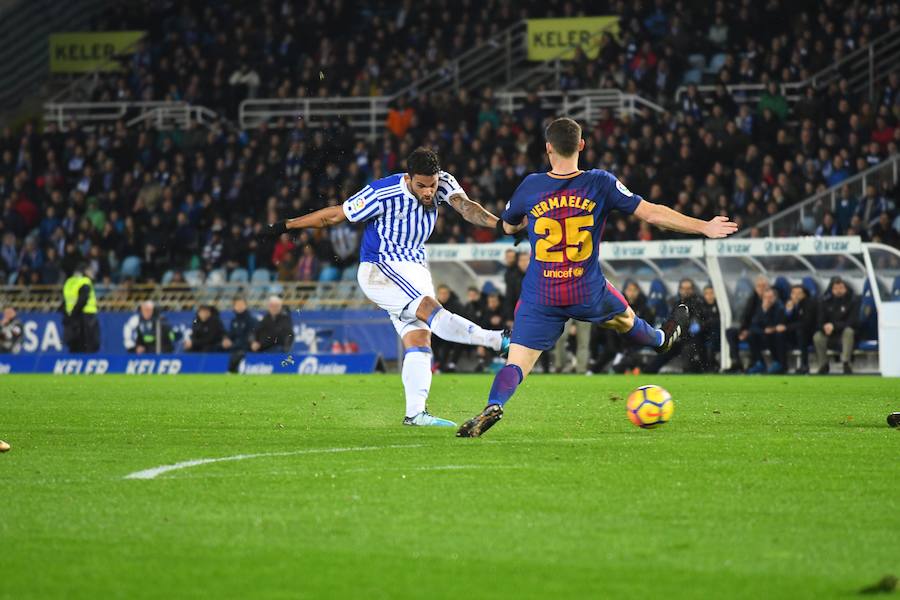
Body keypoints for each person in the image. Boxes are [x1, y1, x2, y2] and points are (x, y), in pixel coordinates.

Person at [457, 117, 737, 437]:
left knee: (517, 363)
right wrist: (703, 226)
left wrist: (523, 225)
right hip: (586, 289)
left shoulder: (530, 186)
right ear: (581, 145)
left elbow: (508, 227)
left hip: (541, 294)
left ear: (548, 148)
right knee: (626, 322)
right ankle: (661, 340)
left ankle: (495, 403)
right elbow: (651, 213)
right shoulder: (600, 182)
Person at [266, 148, 512, 427]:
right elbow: (334, 216)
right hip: (380, 268)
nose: (429, 192)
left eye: (432, 185)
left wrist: (501, 225)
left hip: (415, 268)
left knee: (419, 338)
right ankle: (497, 341)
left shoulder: (443, 182)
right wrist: (286, 225)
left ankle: (415, 414)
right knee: (431, 310)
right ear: (408, 178)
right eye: (421, 186)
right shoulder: (381, 193)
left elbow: (466, 207)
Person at [724, 275, 769, 372]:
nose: (761, 288)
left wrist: (748, 331)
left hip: (764, 331)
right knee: (730, 332)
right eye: (759, 286)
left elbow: (763, 320)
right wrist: (742, 331)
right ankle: (736, 362)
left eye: (763, 286)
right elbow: (746, 317)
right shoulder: (752, 298)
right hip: (751, 329)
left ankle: (757, 362)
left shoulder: (771, 299)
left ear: (767, 287)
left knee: (751, 335)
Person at [813, 277, 858, 374]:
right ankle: (823, 364)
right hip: (830, 334)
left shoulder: (853, 301)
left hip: (845, 334)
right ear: (831, 289)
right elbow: (819, 322)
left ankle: (846, 363)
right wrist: (824, 327)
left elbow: (852, 322)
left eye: (841, 288)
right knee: (817, 336)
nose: (839, 291)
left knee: (849, 331)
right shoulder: (824, 302)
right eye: (836, 289)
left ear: (845, 288)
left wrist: (834, 326)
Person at [745, 288, 787, 374]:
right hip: (764, 335)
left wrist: (770, 328)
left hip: (776, 336)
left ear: (775, 298)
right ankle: (760, 363)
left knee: (776, 335)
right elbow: (754, 325)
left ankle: (779, 363)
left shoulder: (780, 308)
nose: (767, 300)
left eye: (770, 297)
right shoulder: (760, 308)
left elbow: (776, 324)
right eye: (765, 297)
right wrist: (764, 310)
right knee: (751, 335)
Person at [61, 263, 100, 353]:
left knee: (75, 345)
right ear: (85, 271)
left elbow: (65, 301)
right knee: (89, 344)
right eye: (90, 270)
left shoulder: (69, 282)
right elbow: (83, 299)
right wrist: (75, 312)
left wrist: (69, 315)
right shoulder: (85, 282)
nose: (92, 273)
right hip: (87, 316)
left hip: (72, 316)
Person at [784, 284, 817, 374]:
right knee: (778, 334)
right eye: (794, 293)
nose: (796, 296)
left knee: (801, 333)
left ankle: (804, 364)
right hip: (792, 334)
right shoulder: (789, 304)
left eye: (799, 293)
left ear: (804, 295)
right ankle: (781, 364)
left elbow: (806, 323)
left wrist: (787, 327)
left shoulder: (809, 304)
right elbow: (783, 322)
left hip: (808, 334)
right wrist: (788, 311)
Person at [223, 296, 256, 372]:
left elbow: (250, 336)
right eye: (237, 305)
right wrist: (227, 339)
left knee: (238, 354)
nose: (239, 307)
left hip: (245, 347)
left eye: (241, 304)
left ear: (246, 306)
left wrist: (234, 344)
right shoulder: (234, 321)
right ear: (234, 307)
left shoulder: (251, 320)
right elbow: (231, 334)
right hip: (235, 346)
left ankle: (231, 371)